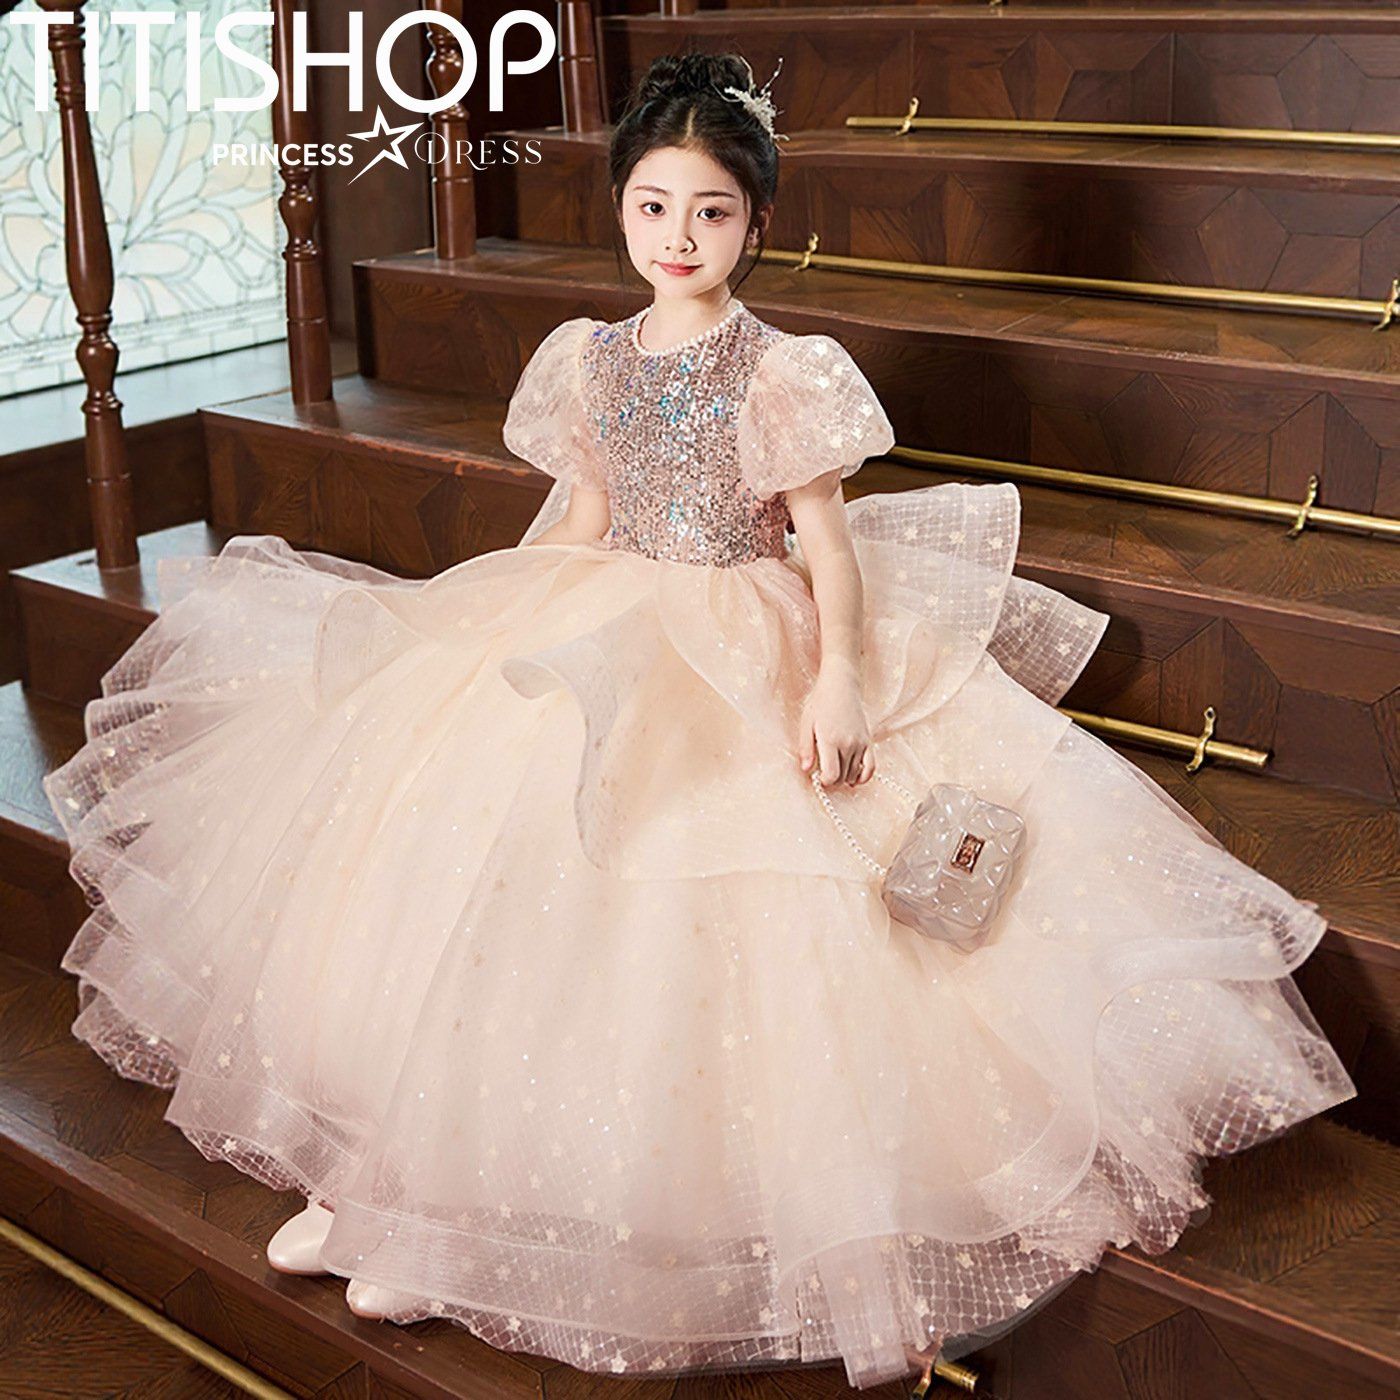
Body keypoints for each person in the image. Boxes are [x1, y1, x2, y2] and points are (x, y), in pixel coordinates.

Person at [42, 51, 1355, 1394]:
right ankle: (388, 1184)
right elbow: (586, 517)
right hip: (612, 606)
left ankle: (453, 1231)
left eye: (712, 211)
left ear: (757, 222)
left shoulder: (784, 371)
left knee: (685, 874)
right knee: (480, 854)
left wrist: (837, 679)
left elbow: (828, 548)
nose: (681, 236)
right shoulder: (590, 358)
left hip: (741, 622)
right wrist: (495, 616)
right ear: (620, 208)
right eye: (655, 206)